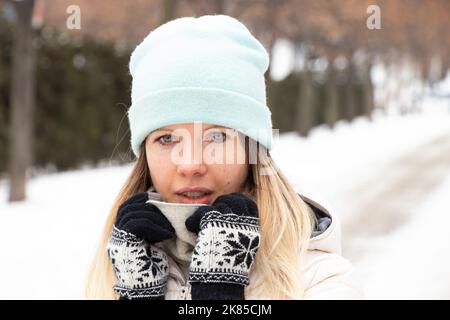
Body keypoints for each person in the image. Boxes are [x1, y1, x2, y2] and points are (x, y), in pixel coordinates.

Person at [85, 14, 364, 300]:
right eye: (166, 139)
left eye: (217, 137)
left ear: (252, 149)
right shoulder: (115, 273)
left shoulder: (319, 278)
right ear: (145, 153)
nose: (191, 164)